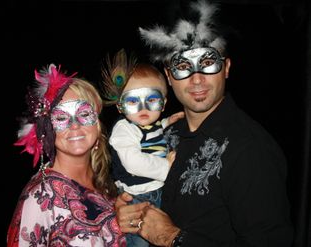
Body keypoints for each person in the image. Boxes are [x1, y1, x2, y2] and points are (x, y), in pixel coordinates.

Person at [114, 1, 294, 246]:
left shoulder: (250, 149)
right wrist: (127, 211)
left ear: (226, 68)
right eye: (182, 66)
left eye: (208, 63)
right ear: (168, 76)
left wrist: (172, 237)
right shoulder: (167, 132)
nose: (196, 79)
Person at [7, 64, 126, 247]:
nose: (74, 125)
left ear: (97, 125)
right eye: (61, 118)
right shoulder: (40, 197)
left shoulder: (107, 183)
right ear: (47, 128)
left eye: (84, 113)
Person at [100, 49, 184, 246]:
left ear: (163, 103)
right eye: (132, 101)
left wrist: (166, 123)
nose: (143, 108)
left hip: (159, 190)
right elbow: (133, 162)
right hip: (138, 196)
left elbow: (151, 131)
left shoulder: (146, 122)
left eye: (152, 100)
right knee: (139, 242)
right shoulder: (123, 128)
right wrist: (167, 167)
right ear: (120, 107)